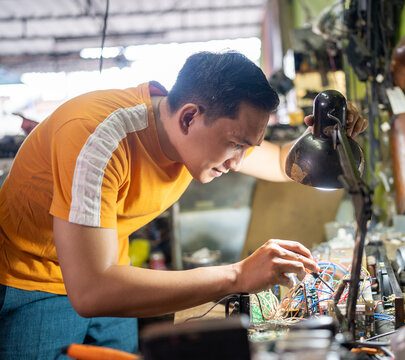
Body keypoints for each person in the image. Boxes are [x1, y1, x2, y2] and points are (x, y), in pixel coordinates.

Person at [0, 51, 365, 358]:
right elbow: (90, 290)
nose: (239, 162)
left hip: (111, 271)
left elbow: (286, 161)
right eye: (237, 144)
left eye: (248, 148)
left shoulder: (191, 131)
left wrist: (324, 137)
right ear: (190, 116)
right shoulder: (98, 139)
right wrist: (237, 276)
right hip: (33, 284)